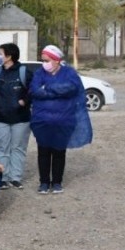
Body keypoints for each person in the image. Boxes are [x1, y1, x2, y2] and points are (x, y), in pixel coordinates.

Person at [29, 45, 93, 194]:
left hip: (64, 121)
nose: (44, 63)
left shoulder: (69, 73)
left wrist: (48, 88)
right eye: (42, 60)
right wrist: (55, 90)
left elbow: (71, 88)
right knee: (43, 152)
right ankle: (44, 182)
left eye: (47, 60)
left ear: (56, 60)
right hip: (41, 122)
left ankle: (57, 182)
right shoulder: (39, 73)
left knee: (59, 152)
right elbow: (34, 90)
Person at [0, 43, 33, 190]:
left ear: (9, 56)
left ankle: (16, 177)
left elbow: (33, 90)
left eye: (1, 53)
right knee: (1, 148)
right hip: (1, 117)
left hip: (21, 118)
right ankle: (3, 177)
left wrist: (25, 101)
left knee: (18, 148)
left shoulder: (24, 72)